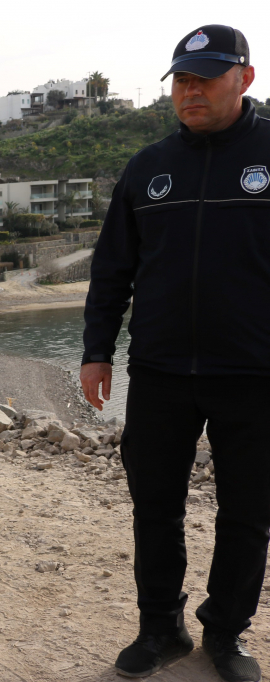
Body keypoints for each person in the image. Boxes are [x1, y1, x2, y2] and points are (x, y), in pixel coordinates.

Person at [81, 25, 267, 682]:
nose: (190, 92)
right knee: (154, 506)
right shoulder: (149, 167)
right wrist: (96, 352)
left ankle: (226, 635)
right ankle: (159, 627)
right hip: (159, 372)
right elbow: (112, 271)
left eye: (205, 79)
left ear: (243, 78)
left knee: (248, 512)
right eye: (181, 81)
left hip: (255, 375)